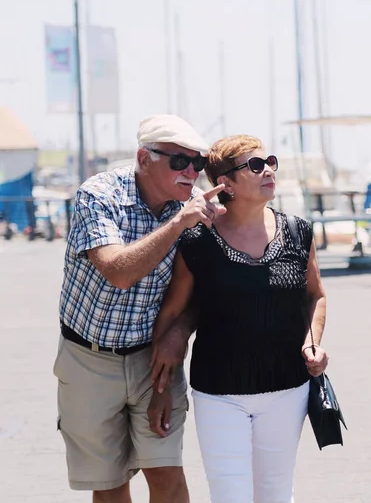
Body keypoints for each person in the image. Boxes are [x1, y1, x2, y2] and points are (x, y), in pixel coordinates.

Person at [53, 114, 226, 503]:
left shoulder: (194, 211)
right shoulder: (98, 195)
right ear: (144, 159)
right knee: (110, 485)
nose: (191, 172)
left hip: (155, 358)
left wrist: (178, 337)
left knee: (167, 474)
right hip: (88, 360)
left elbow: (199, 292)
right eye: (178, 161)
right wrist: (179, 223)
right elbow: (118, 271)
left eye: (196, 163)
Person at [149, 134, 329, 502]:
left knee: (276, 494)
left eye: (271, 162)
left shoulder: (298, 231)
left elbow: (316, 296)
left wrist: (312, 344)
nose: (269, 171)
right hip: (219, 393)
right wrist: (160, 390)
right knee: (230, 495)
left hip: (287, 388)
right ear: (225, 183)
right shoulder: (196, 240)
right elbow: (173, 313)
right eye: (256, 165)